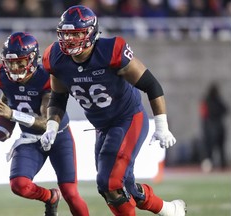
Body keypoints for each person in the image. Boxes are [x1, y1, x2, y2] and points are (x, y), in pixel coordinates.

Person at [40, 5, 186, 216]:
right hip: (102, 126)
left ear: (91, 33)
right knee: (118, 187)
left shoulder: (111, 51)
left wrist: (162, 126)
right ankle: (169, 209)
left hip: (128, 118)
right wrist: (52, 126)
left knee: (110, 182)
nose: (70, 40)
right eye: (66, 34)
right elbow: (58, 96)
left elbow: (151, 85)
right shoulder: (55, 58)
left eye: (77, 34)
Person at [0, 32, 89, 216]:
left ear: (33, 59)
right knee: (19, 185)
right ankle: (50, 197)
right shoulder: (1, 75)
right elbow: (8, 95)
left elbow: (47, 123)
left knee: (70, 192)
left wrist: (12, 114)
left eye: (20, 62)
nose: (15, 67)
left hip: (58, 136)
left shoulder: (46, 77)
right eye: (11, 62)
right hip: (30, 139)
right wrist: (1, 120)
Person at [199, 82, 228, 170]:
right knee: (219, 147)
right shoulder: (216, 100)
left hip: (211, 127)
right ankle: (221, 165)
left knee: (210, 148)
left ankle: (211, 165)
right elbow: (226, 110)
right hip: (217, 127)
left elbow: (203, 115)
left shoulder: (207, 101)